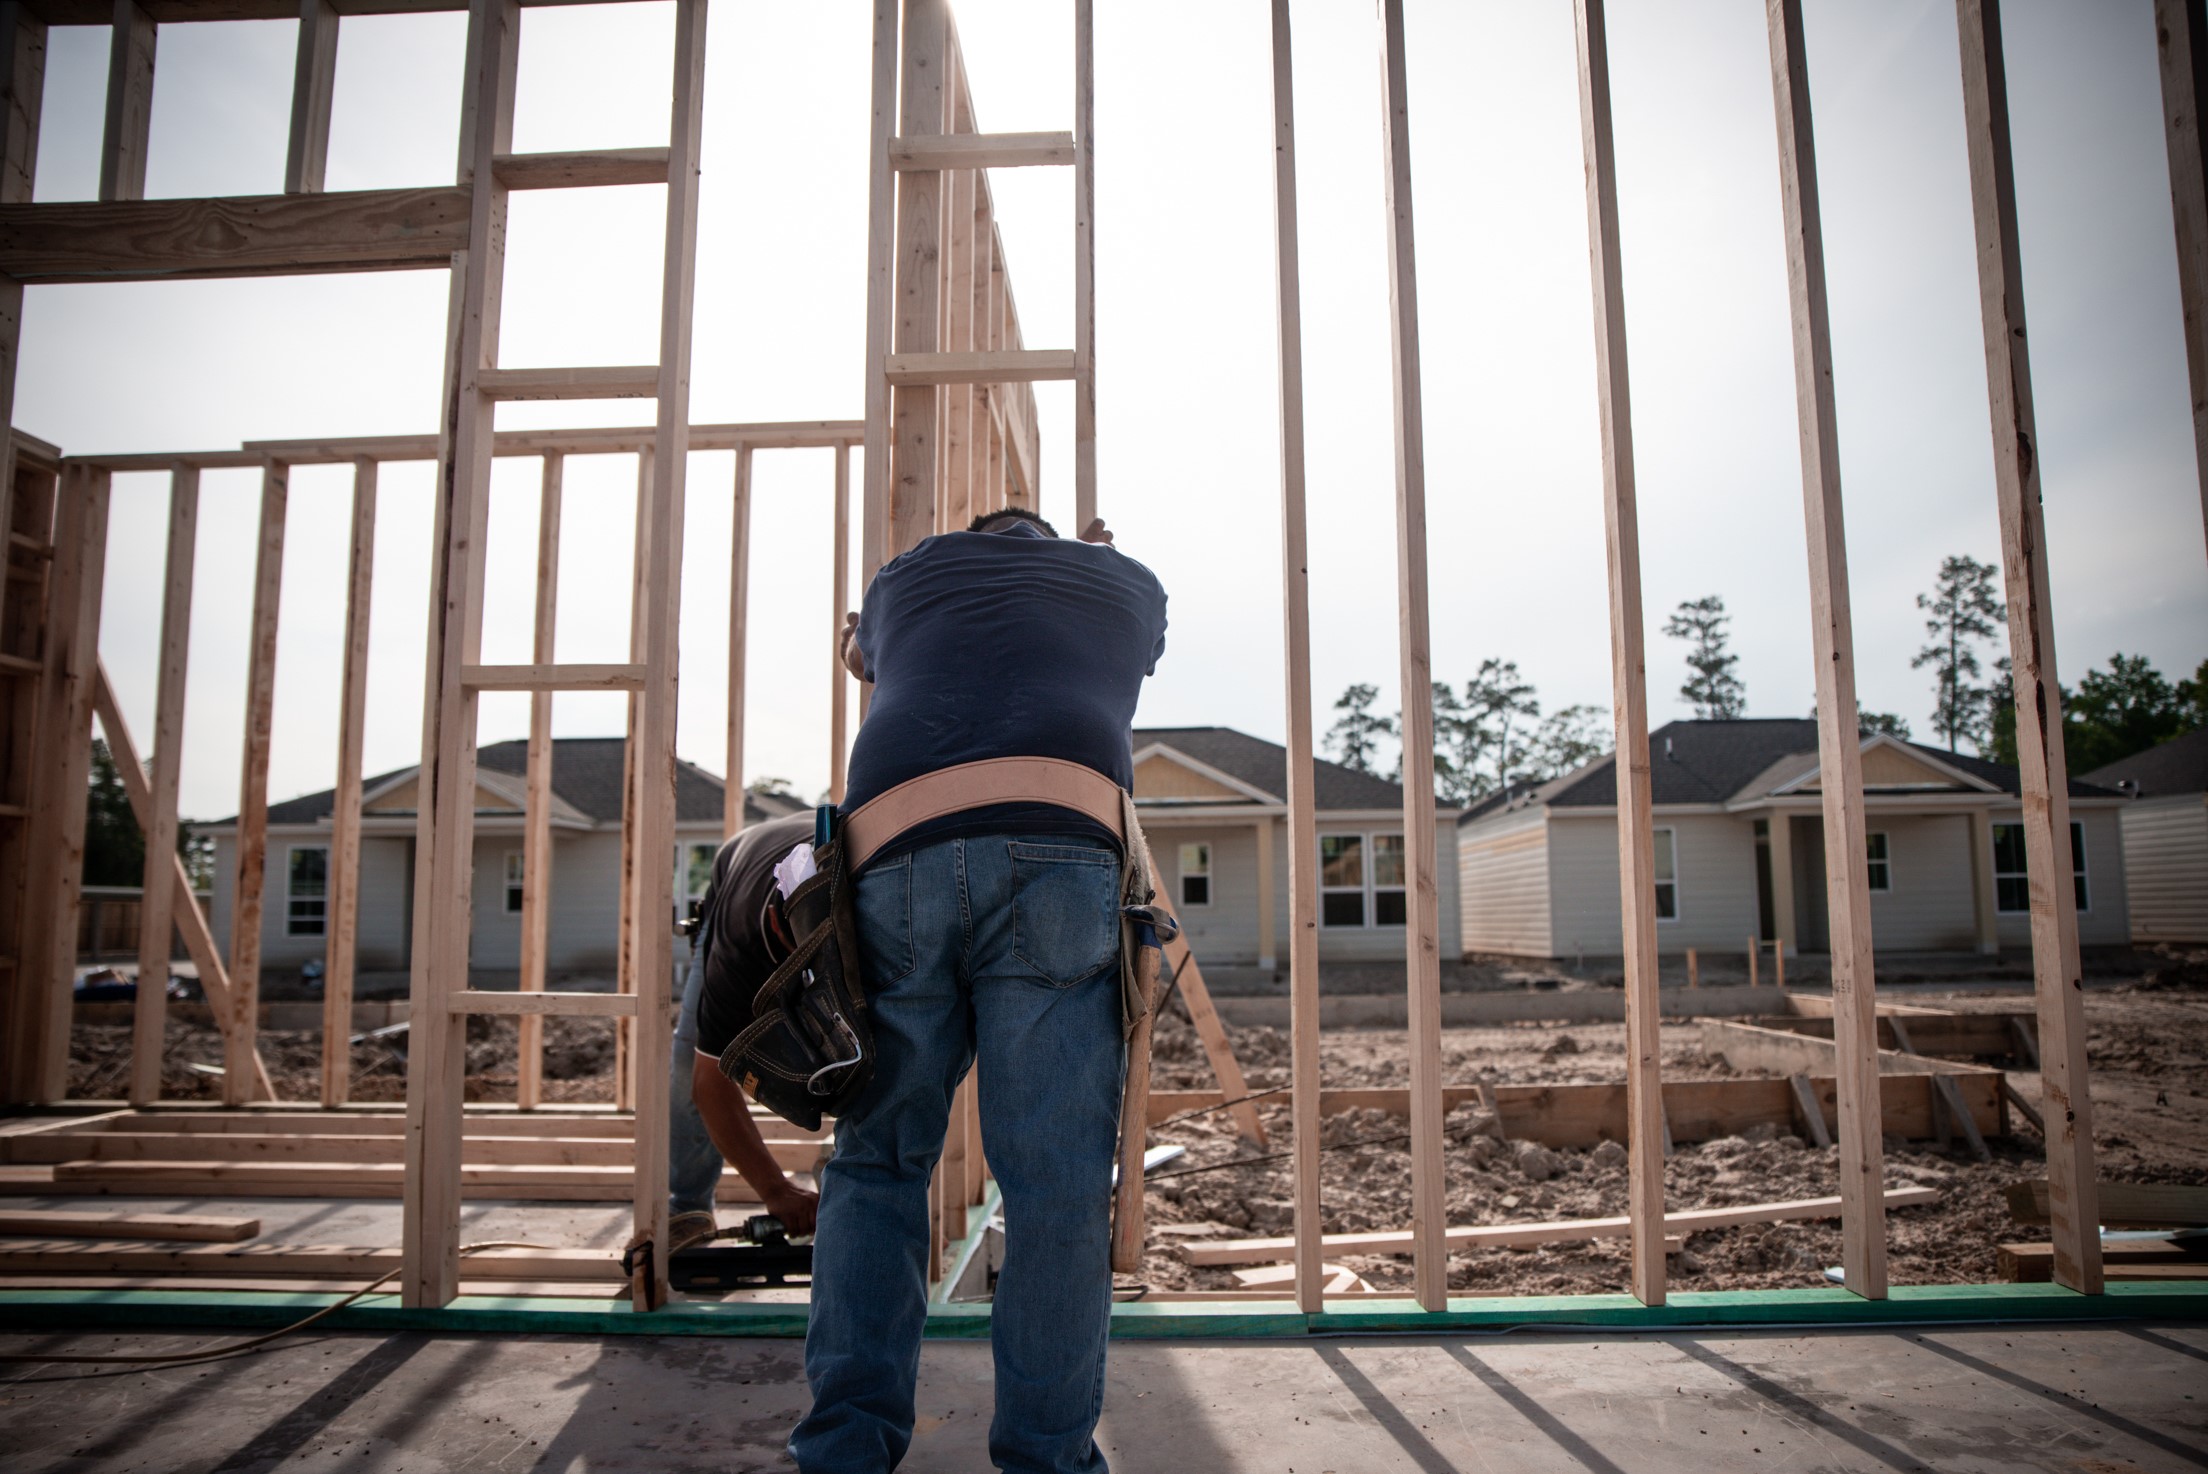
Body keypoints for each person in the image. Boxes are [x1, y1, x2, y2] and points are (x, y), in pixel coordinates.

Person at [789, 505, 1167, 1474]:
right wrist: (1099, 559)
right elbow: (1133, 650)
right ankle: (1046, 1462)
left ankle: (843, 1454)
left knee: (876, 1164)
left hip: (897, 850)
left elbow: (864, 659)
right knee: (1054, 1186)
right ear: (1057, 544)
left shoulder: (903, 579)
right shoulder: (1121, 584)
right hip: (1059, 841)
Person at [670, 810, 824, 1246]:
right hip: (736, 879)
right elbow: (709, 1084)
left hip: (828, 891)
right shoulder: (743, 944)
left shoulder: (881, 907)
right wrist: (776, 1191)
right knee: (688, 1065)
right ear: (778, 930)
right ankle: (687, 1209)